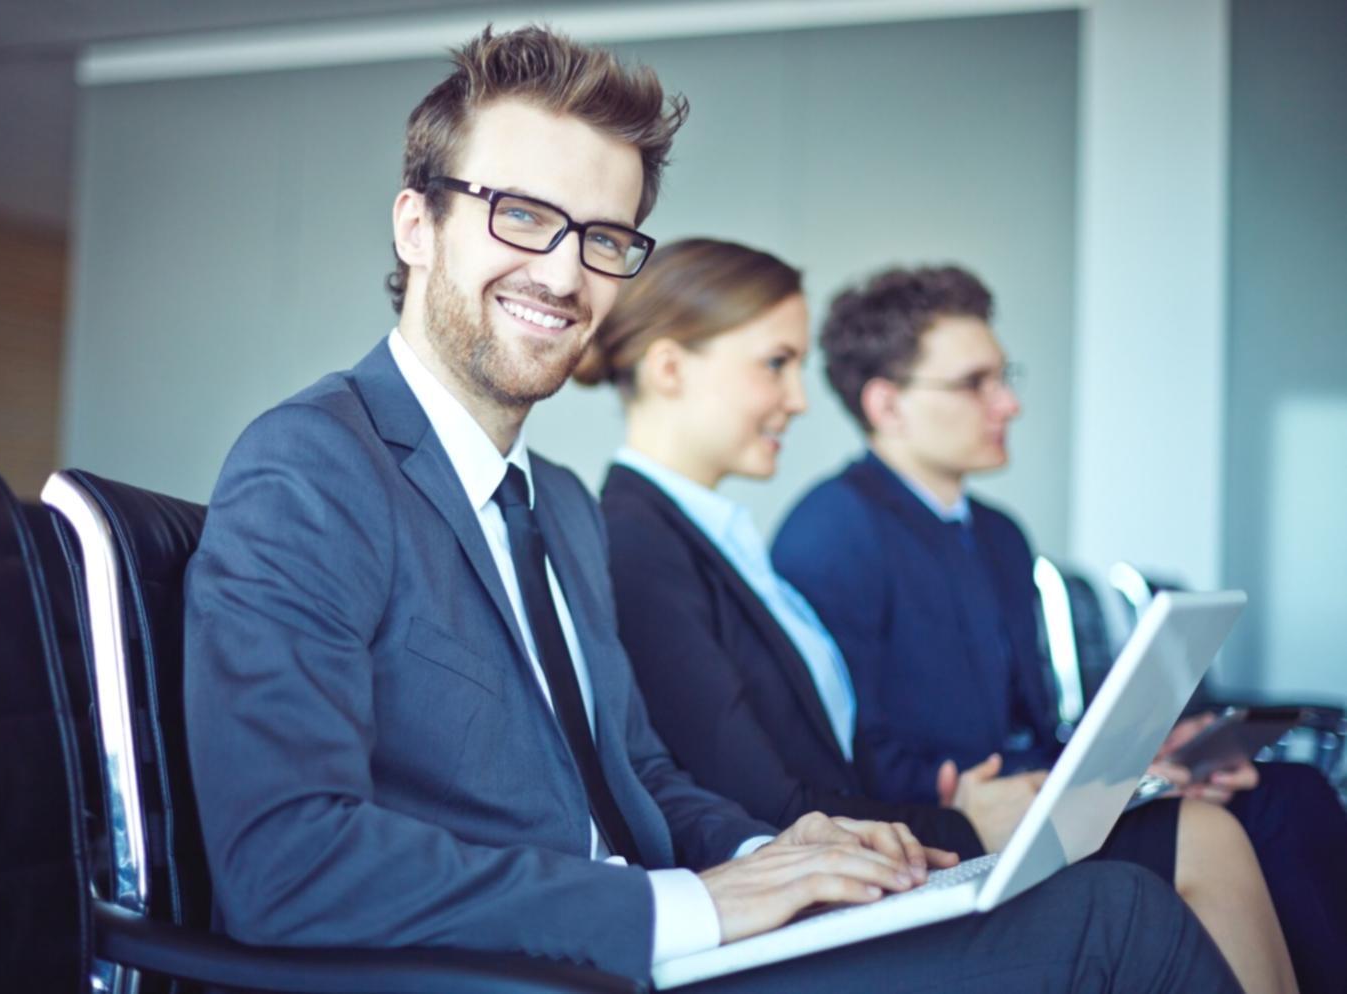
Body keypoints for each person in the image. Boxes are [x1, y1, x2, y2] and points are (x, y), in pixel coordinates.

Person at [183, 28, 1245, 992]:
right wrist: (689, 904)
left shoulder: (554, 502)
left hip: (653, 945)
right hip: (534, 966)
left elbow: (637, 776)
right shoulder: (311, 468)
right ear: (417, 222)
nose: (563, 272)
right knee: (1114, 923)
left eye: (604, 236)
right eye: (519, 214)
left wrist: (773, 856)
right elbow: (286, 862)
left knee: (1108, 902)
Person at [581, 237, 1296, 994]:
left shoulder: (721, 539)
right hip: (831, 874)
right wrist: (963, 823)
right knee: (1171, 866)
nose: (799, 397)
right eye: (774, 364)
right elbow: (763, 801)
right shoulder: (639, 542)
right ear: (668, 369)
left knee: (1239, 822)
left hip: (886, 834)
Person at [771, 263, 1347, 994]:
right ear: (888, 404)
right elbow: (845, 755)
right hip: (949, 833)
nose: (1007, 403)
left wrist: (1147, 759)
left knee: (1284, 792)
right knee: (1260, 817)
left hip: (1037, 800)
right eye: (975, 383)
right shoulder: (832, 533)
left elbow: (1029, 725)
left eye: (1003, 375)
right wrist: (1029, 786)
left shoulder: (999, 535)